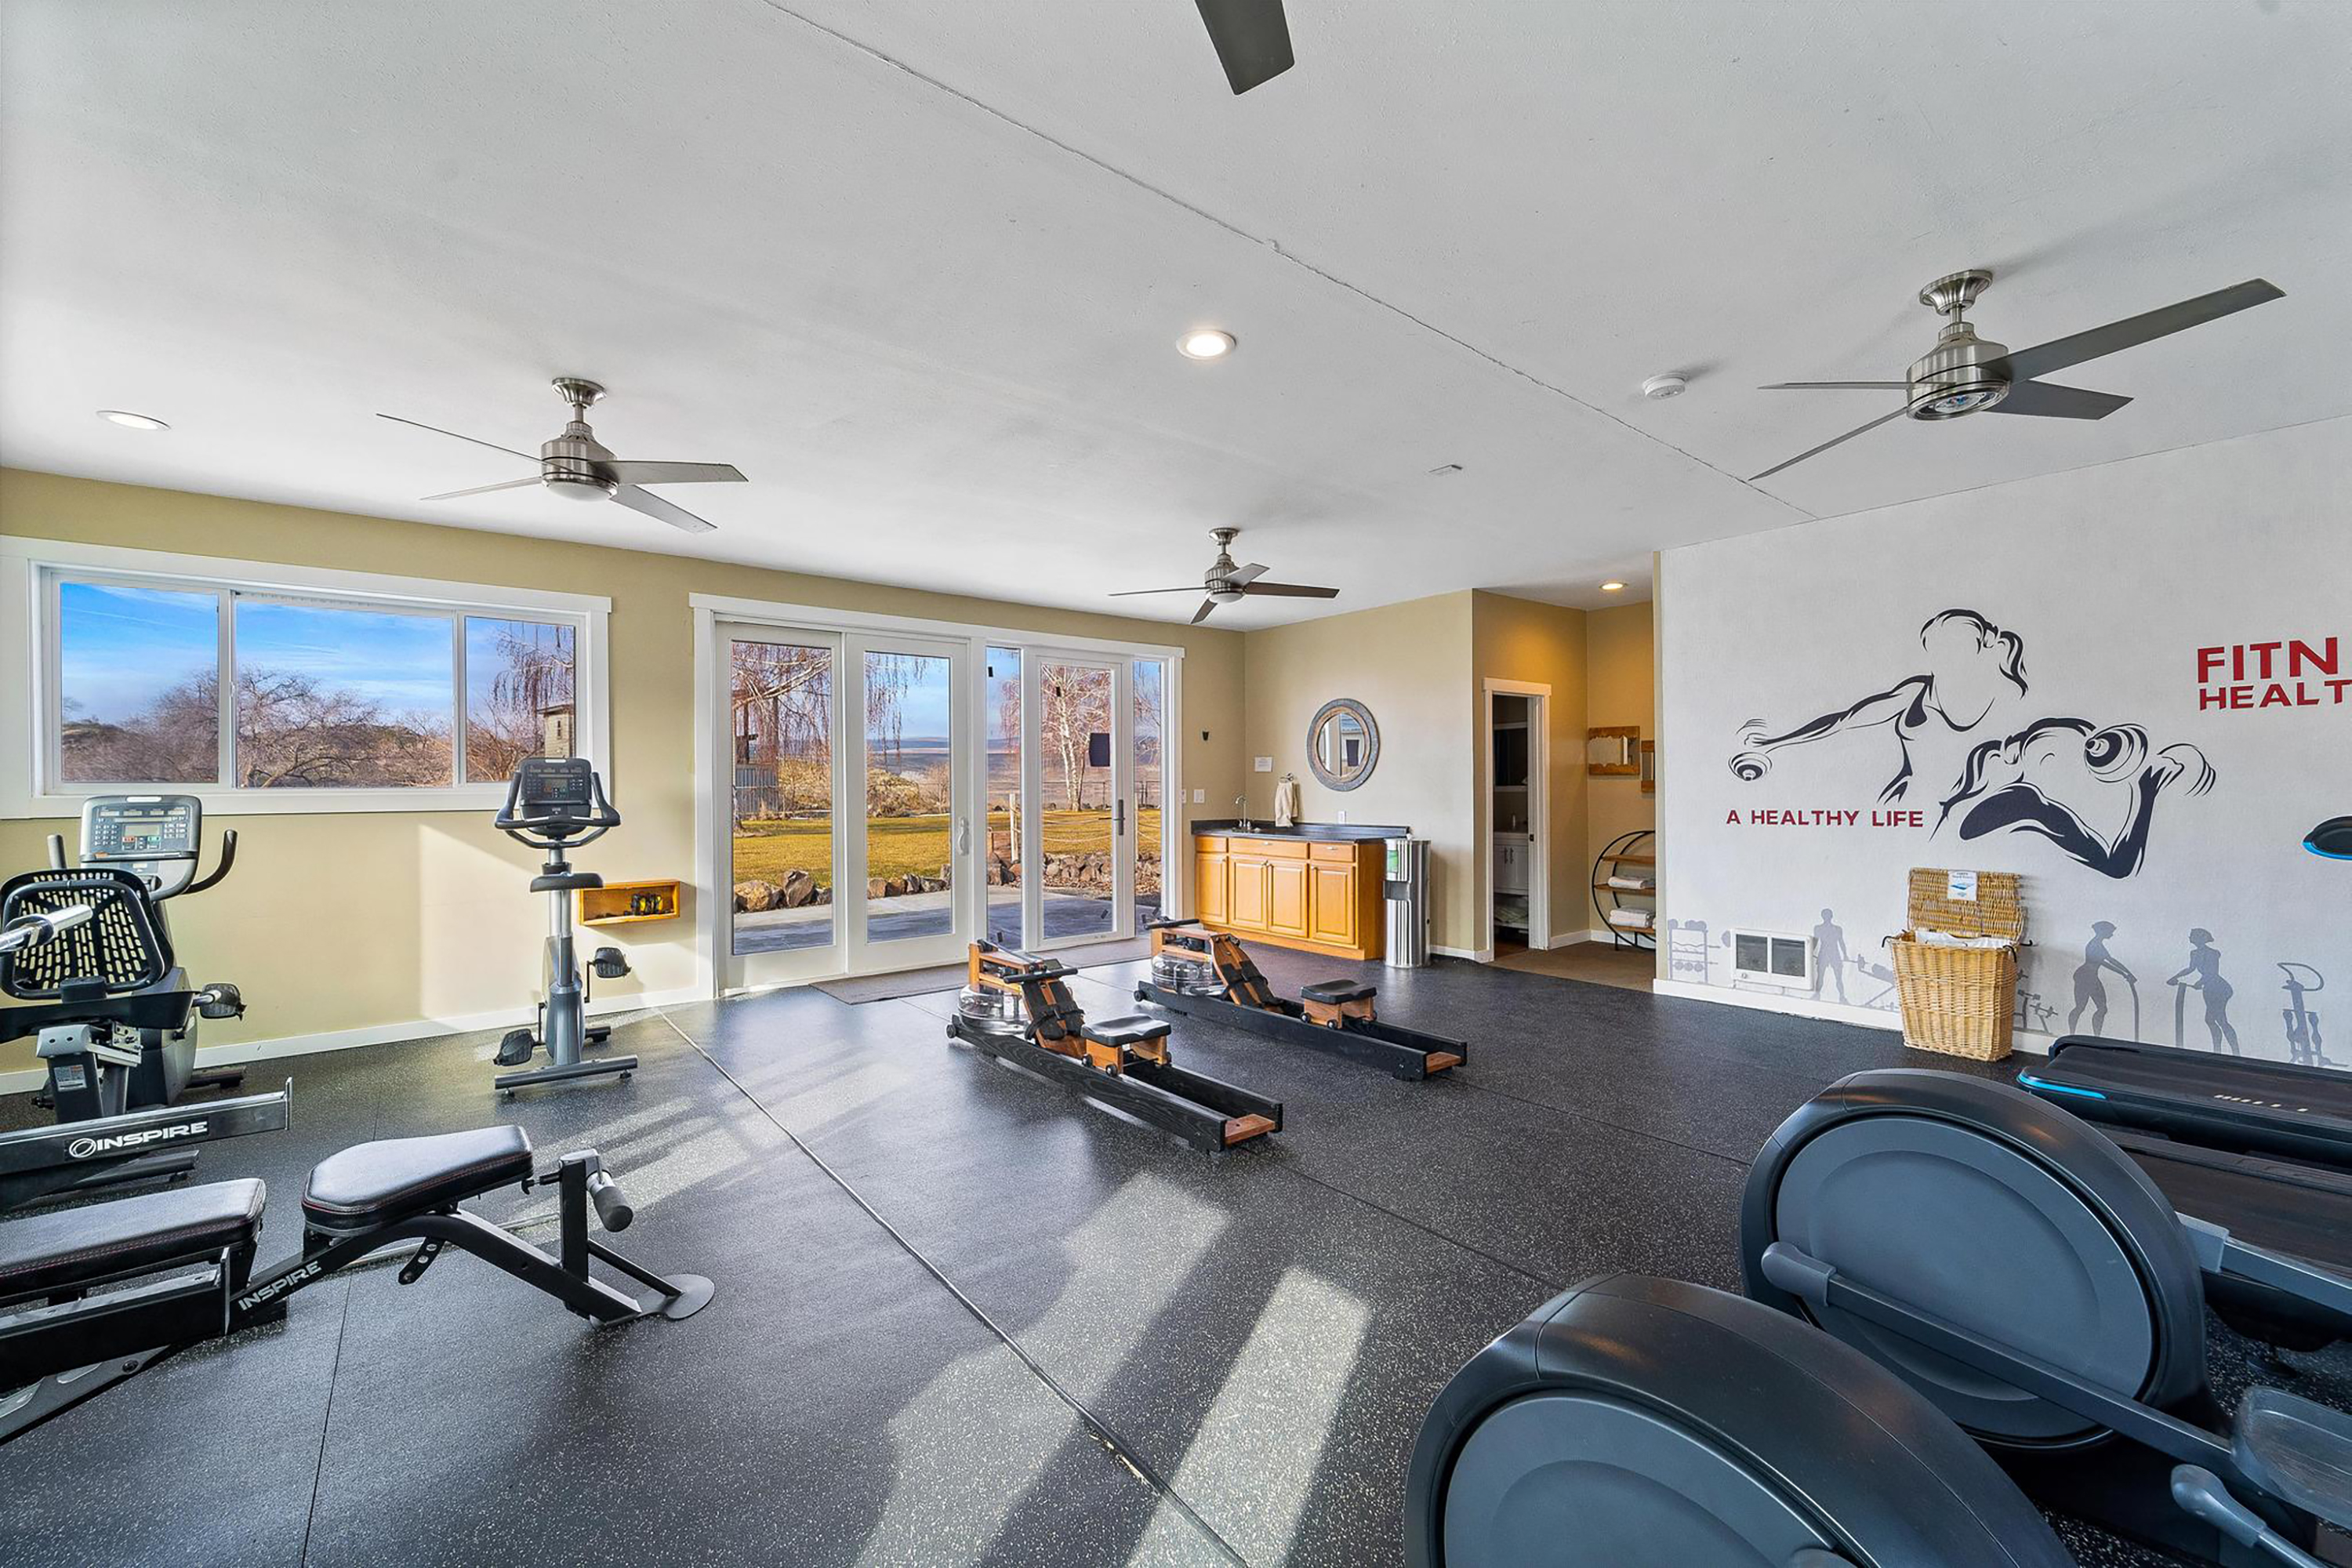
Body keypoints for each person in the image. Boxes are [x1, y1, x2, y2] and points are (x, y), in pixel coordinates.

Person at [2169, 929, 2240, 1054]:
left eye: (2192, 936)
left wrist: (2200, 982)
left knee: (2220, 1020)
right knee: (2211, 1020)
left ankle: (2235, 1051)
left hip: (2218, 988)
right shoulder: (2194, 953)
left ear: (2200, 938)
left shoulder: (2213, 953)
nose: (2190, 937)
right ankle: (2217, 1050)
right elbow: (2190, 969)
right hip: (2209, 988)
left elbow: (2212, 972)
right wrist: (2175, 977)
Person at [2067, 921, 2133, 1035]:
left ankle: (2097, 1036)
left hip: (2092, 977)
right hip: (2085, 976)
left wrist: (2128, 973)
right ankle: (2071, 1033)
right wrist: (2124, 974)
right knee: (2080, 1007)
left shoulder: (2099, 944)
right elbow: (2105, 963)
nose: (2112, 934)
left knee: (2102, 1008)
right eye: (2110, 932)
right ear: (2102, 931)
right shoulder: (2094, 945)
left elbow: (2111, 960)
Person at [1809, 909, 1848, 1003]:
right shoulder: (1818, 928)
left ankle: (1842, 996)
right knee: (1820, 977)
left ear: (1831, 916)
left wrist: (1845, 955)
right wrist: (1810, 952)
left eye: (1828, 915)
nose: (1827, 917)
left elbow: (1841, 942)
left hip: (1834, 954)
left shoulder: (1837, 929)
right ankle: (1817, 994)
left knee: (1838, 978)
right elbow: (1815, 941)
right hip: (1824, 954)